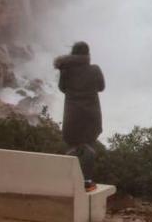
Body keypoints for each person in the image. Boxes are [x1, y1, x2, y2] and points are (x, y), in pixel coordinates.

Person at [54, 41, 105, 192]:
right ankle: (87, 183)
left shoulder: (66, 71)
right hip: (91, 115)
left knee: (72, 147)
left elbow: (62, 88)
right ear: (87, 55)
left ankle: (67, 181)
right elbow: (101, 87)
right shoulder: (95, 70)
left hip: (72, 114)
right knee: (89, 146)